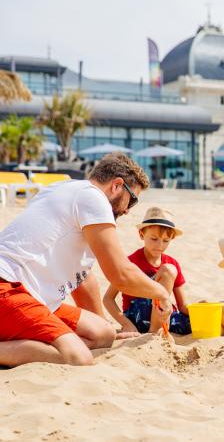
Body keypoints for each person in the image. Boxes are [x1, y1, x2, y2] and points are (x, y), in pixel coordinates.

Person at [0, 153, 174, 367]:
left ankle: (38, 345)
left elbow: (83, 279)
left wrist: (107, 331)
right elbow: (120, 275)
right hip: (7, 288)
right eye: (133, 200)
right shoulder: (93, 198)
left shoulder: (63, 188)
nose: (128, 210)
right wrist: (162, 293)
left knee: (103, 334)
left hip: (30, 296)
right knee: (77, 358)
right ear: (117, 185)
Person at [103, 207, 191, 335]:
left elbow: (182, 305)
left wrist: (201, 308)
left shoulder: (173, 263)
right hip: (138, 316)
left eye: (166, 241)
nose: (160, 245)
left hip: (164, 315)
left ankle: (159, 329)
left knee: (198, 323)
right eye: (154, 239)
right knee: (167, 270)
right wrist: (126, 324)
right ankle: (153, 333)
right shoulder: (131, 262)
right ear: (141, 234)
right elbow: (108, 299)